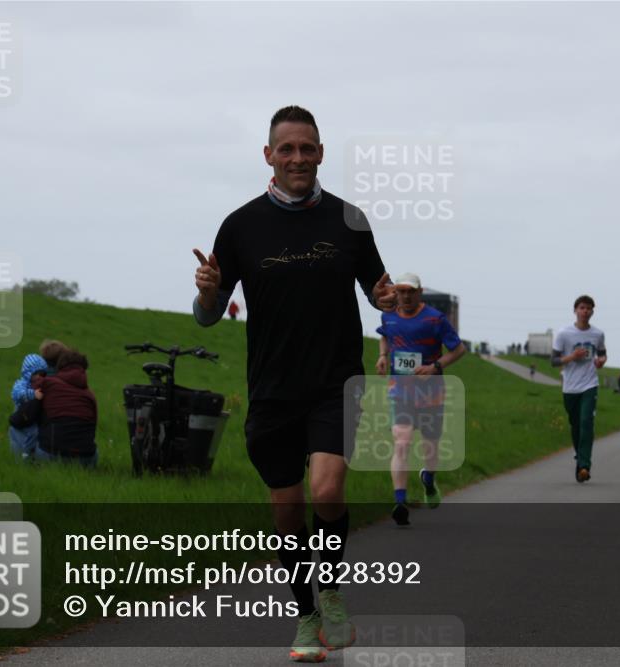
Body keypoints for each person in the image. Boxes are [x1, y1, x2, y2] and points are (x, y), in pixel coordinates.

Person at [192, 106, 396, 663]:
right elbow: (207, 316)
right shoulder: (240, 226)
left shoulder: (350, 220)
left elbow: (376, 288)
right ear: (269, 156)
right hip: (273, 388)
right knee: (287, 511)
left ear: (322, 153)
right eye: (287, 149)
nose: (298, 158)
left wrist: (385, 299)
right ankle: (305, 615)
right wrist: (209, 291)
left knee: (327, 491)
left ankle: (329, 587)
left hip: (336, 381)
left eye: (307, 148)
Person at [375, 273, 466, 526]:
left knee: (430, 446)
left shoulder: (435, 319)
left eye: (410, 291)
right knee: (402, 441)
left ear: (420, 291)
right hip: (400, 391)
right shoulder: (388, 315)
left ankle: (428, 479)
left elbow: (458, 349)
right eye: (401, 291)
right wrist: (383, 355)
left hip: (431, 393)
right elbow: (385, 334)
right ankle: (400, 502)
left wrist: (435, 366)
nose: (405, 296)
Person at [551, 295, 607, 483]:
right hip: (570, 387)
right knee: (576, 425)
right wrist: (572, 356)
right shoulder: (564, 334)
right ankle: (579, 458)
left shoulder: (597, 334)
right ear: (575, 310)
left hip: (590, 384)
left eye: (589, 308)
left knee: (586, 422)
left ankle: (584, 466)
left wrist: (601, 362)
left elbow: (602, 353)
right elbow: (554, 361)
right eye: (582, 308)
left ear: (592, 312)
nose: (585, 311)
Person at [31, 350, 98, 467]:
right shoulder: (90, 395)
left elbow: (30, 391)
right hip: (85, 459)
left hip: (52, 455)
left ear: (60, 366)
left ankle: (23, 461)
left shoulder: (48, 384)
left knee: (19, 425)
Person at [8, 354, 48, 461]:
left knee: (35, 432)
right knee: (30, 432)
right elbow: (17, 394)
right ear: (28, 373)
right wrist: (33, 394)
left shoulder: (38, 384)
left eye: (43, 374)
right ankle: (26, 454)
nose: (40, 377)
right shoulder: (22, 384)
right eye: (36, 373)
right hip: (22, 413)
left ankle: (29, 454)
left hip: (32, 414)